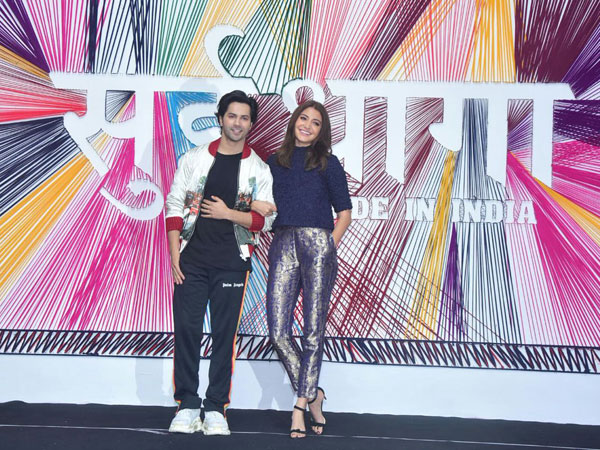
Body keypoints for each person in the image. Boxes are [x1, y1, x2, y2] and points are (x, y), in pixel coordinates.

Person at [165, 90, 275, 435]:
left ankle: (215, 408)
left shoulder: (258, 169)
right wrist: (174, 254)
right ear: (220, 118)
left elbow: (265, 221)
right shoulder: (195, 159)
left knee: (224, 337)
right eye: (232, 116)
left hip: (232, 262)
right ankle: (187, 404)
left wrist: (230, 214)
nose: (237, 123)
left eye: (244, 118)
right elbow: (174, 205)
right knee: (187, 331)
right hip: (192, 260)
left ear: (251, 124)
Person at [252, 100, 352, 438]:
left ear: (322, 131)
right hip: (282, 242)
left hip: (318, 243)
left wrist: (327, 246)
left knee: (313, 330)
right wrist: (254, 203)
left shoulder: (328, 163)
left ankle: (298, 405)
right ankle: (314, 395)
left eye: (316, 122)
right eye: (303, 118)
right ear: (294, 121)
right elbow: (261, 201)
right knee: (278, 332)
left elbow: (345, 214)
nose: (307, 125)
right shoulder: (273, 163)